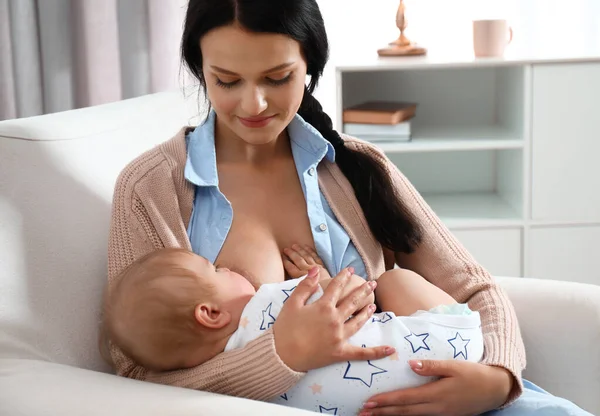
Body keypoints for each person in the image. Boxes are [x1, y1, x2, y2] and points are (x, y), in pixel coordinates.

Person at [103, 0, 593, 414]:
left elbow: (473, 285)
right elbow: (136, 376)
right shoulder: (151, 189)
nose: (253, 104)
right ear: (199, 71)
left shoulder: (355, 165)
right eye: (227, 81)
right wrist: (282, 354)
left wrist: (497, 377)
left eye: (277, 77)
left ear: (310, 66)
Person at [103, 246, 484, 416]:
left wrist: (497, 378)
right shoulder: (272, 300)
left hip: (407, 402)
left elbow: (477, 284)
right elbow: (357, 296)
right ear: (211, 313)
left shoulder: (245, 394)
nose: (225, 266)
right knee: (393, 280)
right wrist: (326, 277)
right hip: (454, 348)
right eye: (215, 270)